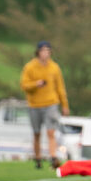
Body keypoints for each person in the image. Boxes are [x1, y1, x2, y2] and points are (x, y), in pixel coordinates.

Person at [20, 40, 70, 169]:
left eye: (48, 51)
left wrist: (64, 105)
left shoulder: (54, 67)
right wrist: (36, 84)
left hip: (51, 103)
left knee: (51, 132)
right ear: (38, 52)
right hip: (34, 104)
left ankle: (53, 157)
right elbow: (24, 85)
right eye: (43, 51)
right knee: (36, 133)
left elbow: (60, 87)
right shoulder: (30, 67)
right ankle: (37, 158)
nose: (45, 53)